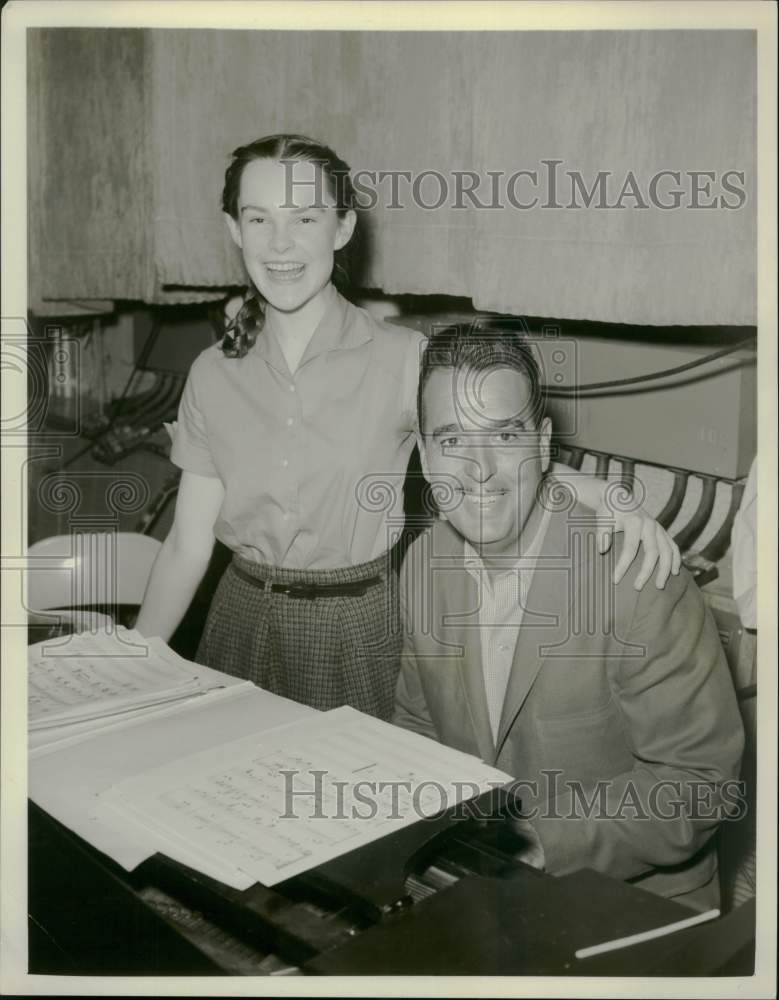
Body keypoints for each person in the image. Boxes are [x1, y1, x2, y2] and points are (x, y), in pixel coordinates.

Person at [136, 133, 680, 721]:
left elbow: (487, 464)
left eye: (306, 217)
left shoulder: (403, 357)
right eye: (259, 219)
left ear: (342, 229)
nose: (281, 243)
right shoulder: (213, 373)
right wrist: (134, 663)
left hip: (356, 625)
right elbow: (187, 547)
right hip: (238, 619)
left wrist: (608, 497)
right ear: (234, 229)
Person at [393, 326, 744, 910]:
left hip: (628, 907)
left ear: (542, 444)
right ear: (426, 457)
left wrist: (530, 844)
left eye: (504, 434)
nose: (478, 468)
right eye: (452, 439)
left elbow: (699, 786)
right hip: (474, 885)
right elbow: (418, 726)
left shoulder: (635, 576)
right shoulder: (425, 562)